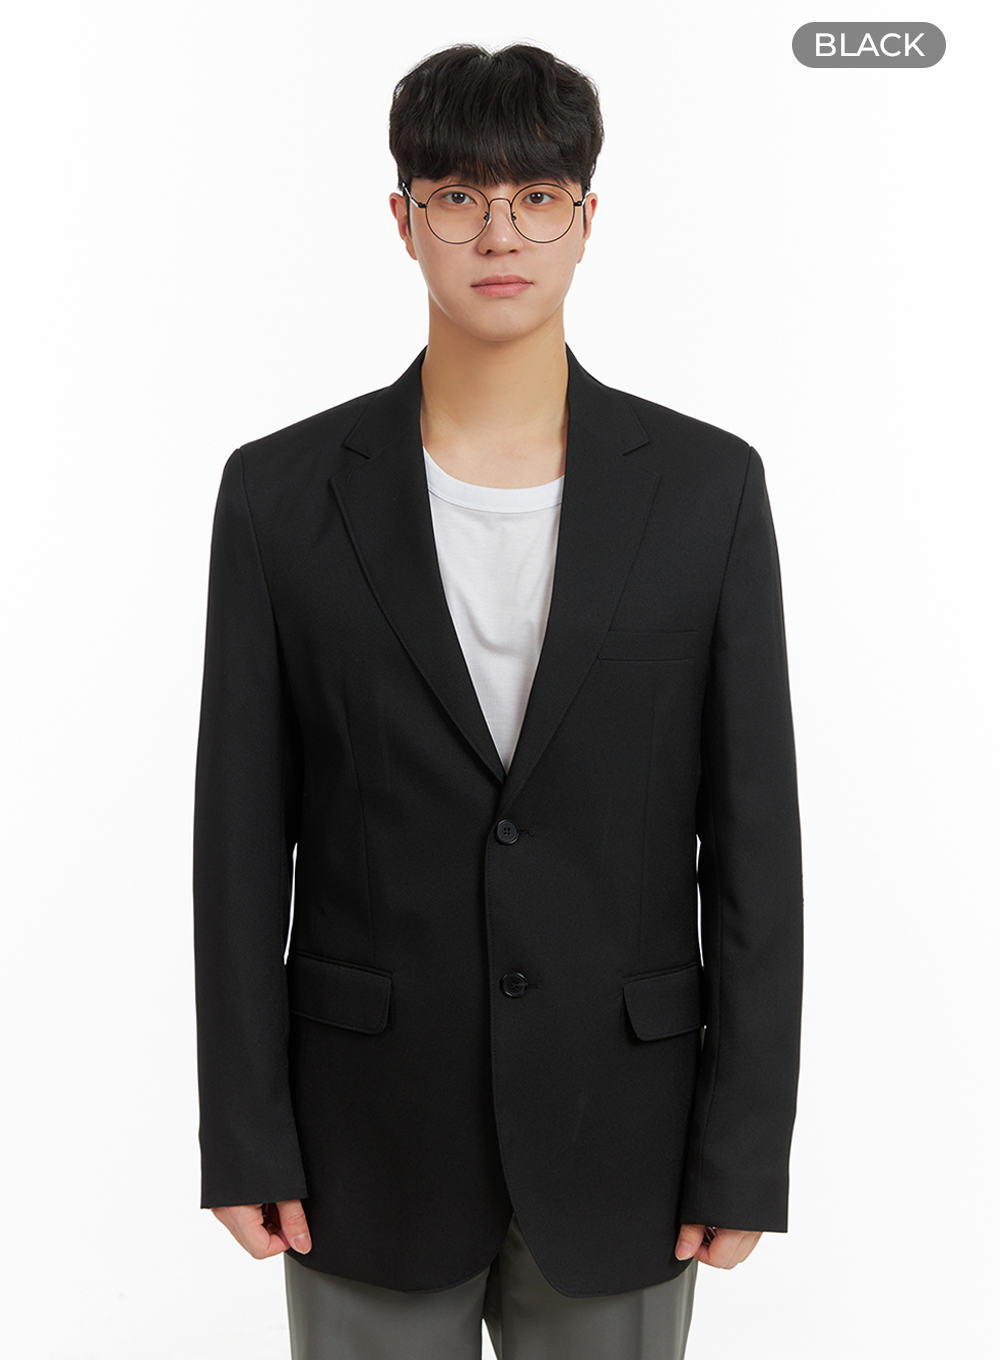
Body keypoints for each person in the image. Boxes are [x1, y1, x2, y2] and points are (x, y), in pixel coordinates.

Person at [192, 40, 804, 1360]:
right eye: (460, 194)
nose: (499, 232)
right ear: (402, 217)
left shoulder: (707, 493)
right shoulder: (280, 497)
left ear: (588, 216)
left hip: (629, 1139)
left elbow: (755, 845)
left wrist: (745, 1147)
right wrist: (242, 1132)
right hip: (362, 1140)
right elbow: (238, 845)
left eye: (536, 196)